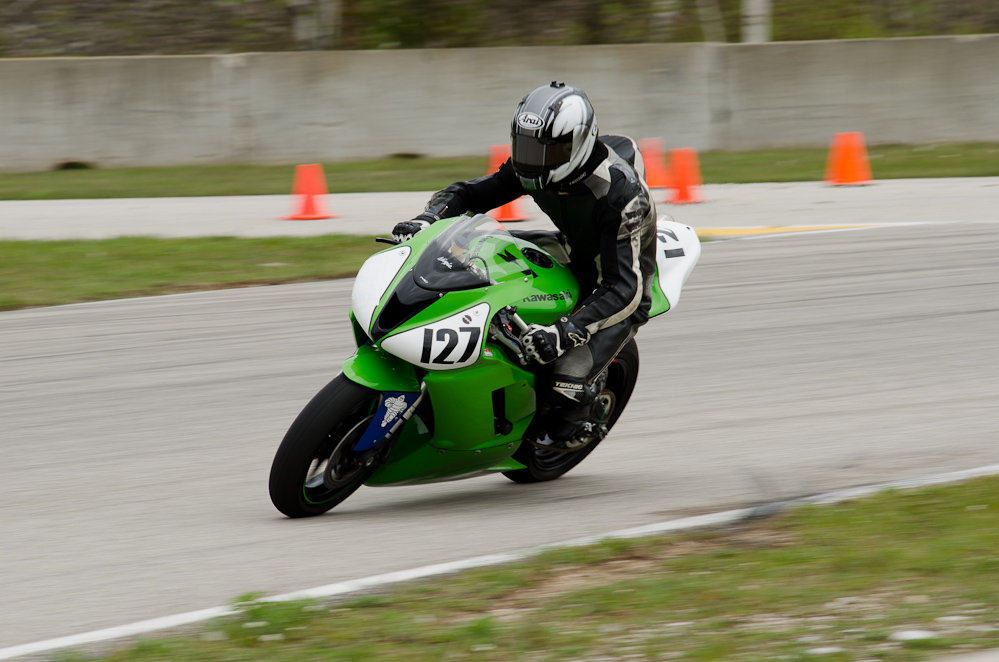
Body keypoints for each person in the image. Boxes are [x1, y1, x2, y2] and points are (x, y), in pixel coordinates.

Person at [392, 81, 658, 452]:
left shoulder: (621, 196)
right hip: (571, 249)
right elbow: (470, 194)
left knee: (565, 380)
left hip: (616, 284)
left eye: (546, 150)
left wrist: (564, 332)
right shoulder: (536, 165)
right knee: (475, 255)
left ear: (577, 144)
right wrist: (427, 219)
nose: (532, 159)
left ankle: (579, 419)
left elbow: (625, 290)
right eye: (526, 146)